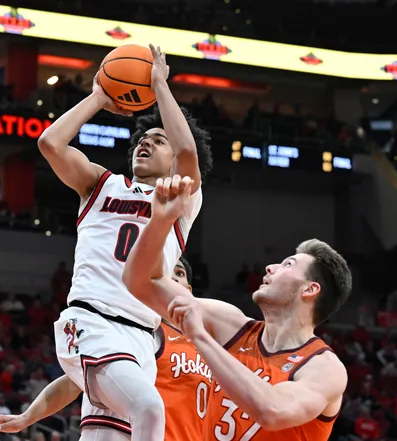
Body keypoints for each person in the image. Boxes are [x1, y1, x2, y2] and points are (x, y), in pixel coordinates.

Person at [39, 43, 212, 441]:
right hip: (91, 319)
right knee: (150, 409)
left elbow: (187, 149)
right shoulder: (100, 183)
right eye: (141, 139)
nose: (144, 144)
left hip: (140, 336)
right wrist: (99, 96)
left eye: (157, 139)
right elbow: (50, 143)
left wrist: (159, 85)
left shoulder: (180, 199)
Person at [122, 175, 352, 441]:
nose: (270, 267)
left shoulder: (323, 368)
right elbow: (139, 281)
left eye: (287, 264)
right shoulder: (231, 324)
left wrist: (200, 337)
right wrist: (159, 223)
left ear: (309, 290)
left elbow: (272, 411)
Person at [0, 257, 212, 441]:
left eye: (179, 273)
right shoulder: (137, 329)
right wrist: (27, 417)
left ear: (188, 289)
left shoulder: (208, 347)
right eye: (165, 270)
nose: (172, 277)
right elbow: (75, 380)